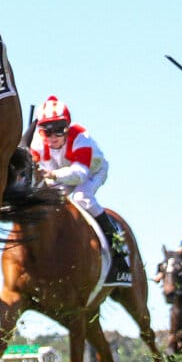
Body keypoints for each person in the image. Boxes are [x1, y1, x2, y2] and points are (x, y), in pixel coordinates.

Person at [27, 95, 131, 284]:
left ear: (67, 127)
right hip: (62, 173)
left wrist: (51, 175)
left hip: (92, 171)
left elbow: (79, 174)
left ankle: (117, 249)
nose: (53, 137)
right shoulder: (36, 143)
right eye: (47, 131)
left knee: (83, 198)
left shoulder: (80, 136)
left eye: (59, 130)